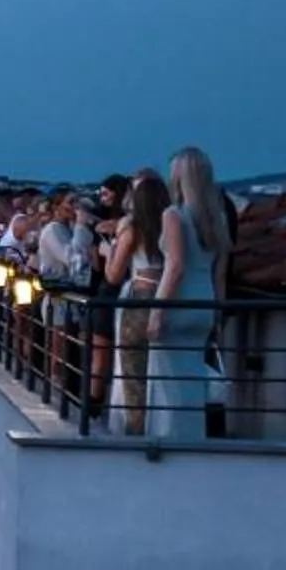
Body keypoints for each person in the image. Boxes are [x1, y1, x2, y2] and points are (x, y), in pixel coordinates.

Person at [149, 144, 231, 440]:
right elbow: (219, 273)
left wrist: (157, 313)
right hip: (204, 304)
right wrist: (218, 319)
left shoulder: (173, 215)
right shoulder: (217, 219)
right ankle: (193, 441)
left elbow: (175, 266)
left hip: (178, 304)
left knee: (168, 384)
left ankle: (166, 443)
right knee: (193, 383)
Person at [105, 168, 168, 435]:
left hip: (139, 297)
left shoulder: (131, 227)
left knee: (132, 372)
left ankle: (135, 431)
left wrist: (108, 252)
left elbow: (113, 275)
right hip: (168, 297)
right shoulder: (173, 222)